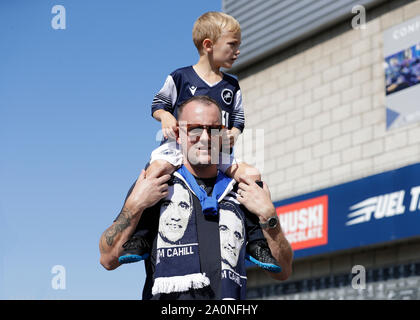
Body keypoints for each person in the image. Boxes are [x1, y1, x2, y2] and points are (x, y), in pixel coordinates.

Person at [118, 11, 281, 272]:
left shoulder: (232, 85)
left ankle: (256, 243)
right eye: (232, 44)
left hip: (217, 151)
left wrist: (234, 133)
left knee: (252, 175)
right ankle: (142, 237)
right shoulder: (180, 76)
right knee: (155, 172)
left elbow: (239, 118)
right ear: (208, 45)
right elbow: (157, 104)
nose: (238, 51)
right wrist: (165, 117)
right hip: (178, 147)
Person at [99, 96, 293, 300]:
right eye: (195, 129)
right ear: (178, 135)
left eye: (213, 129)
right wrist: (134, 205)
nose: (205, 138)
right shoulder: (156, 182)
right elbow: (108, 259)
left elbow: (283, 270)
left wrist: (269, 216)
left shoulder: (243, 189)